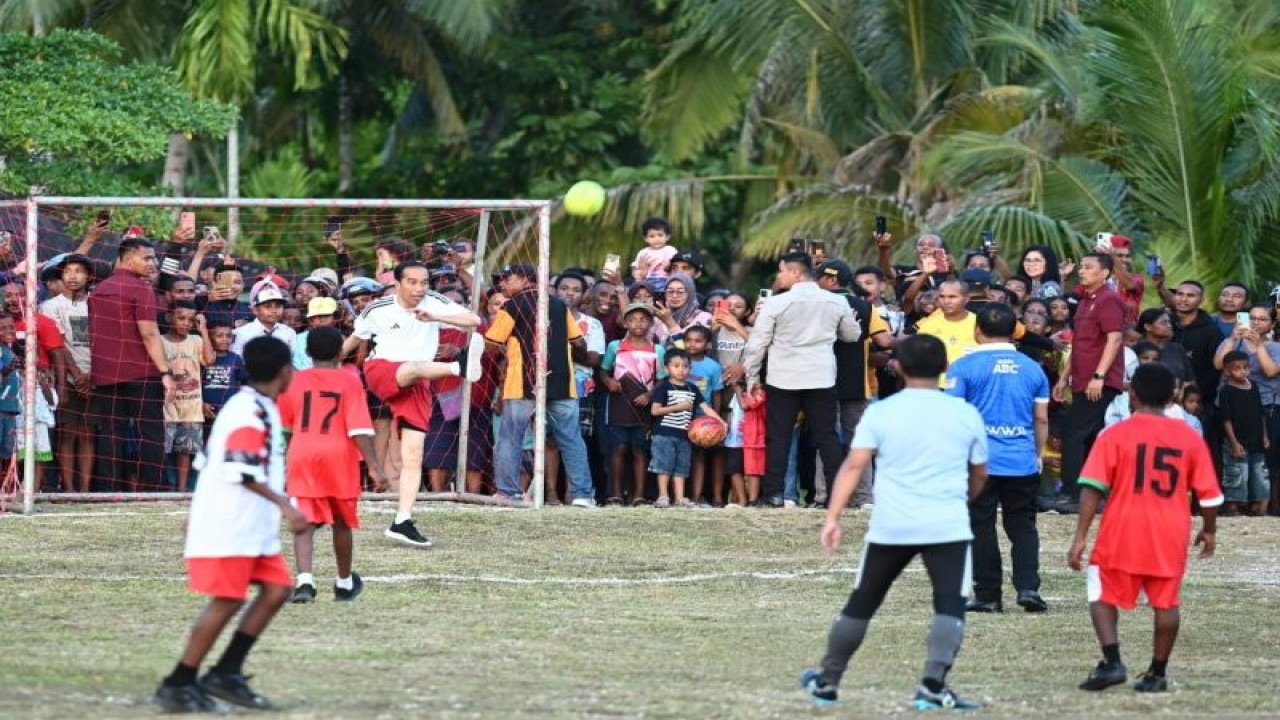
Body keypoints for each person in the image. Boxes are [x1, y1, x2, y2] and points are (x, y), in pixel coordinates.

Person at [800, 335, 986, 711]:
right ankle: (933, 686)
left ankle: (828, 681)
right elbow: (980, 473)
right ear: (945, 367)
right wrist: (962, 499)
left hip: (893, 522)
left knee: (863, 601)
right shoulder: (965, 413)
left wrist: (832, 517)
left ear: (897, 367)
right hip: (947, 523)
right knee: (949, 605)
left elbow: (854, 465)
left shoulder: (882, 411)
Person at [152, 336, 306, 713]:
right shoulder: (247, 411)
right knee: (228, 600)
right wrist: (287, 506)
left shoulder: (258, 405)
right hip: (231, 523)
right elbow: (241, 469)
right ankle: (178, 682)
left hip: (253, 527)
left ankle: (226, 671)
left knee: (276, 589)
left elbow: (208, 463)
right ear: (286, 371)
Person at [1068, 363, 1222, 693]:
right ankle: (1157, 672)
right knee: (1166, 601)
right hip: (1170, 530)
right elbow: (1209, 496)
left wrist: (1080, 536)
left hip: (1122, 526)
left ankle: (1112, 661)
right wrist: (1209, 530)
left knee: (1101, 591)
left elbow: (1092, 487)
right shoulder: (1188, 437)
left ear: (1131, 394)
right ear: (1173, 397)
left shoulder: (1114, 434)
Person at [344, 260, 482, 547]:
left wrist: (433, 317)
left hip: (419, 380)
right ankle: (459, 368)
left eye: (424, 282)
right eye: (412, 282)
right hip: (382, 370)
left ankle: (402, 520)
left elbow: (474, 321)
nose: (420, 288)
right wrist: (324, 365)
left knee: (414, 453)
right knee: (417, 366)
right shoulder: (377, 309)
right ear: (397, 283)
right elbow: (353, 340)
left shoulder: (434, 302)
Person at [946, 303, 1050, 613]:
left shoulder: (963, 367)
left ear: (977, 330)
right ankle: (1028, 587)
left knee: (981, 524)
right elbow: (1041, 418)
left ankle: (989, 594)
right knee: (1023, 525)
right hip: (1021, 459)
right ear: (1014, 331)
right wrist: (1038, 454)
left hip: (979, 462)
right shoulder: (1033, 367)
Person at [742, 252, 861, 507]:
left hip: (783, 378)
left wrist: (752, 376)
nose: (779, 276)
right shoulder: (836, 302)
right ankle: (836, 495)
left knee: (778, 436)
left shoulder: (776, 303)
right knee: (827, 437)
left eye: (782, 271)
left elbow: (757, 343)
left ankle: (773, 494)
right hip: (821, 376)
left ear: (795, 273)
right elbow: (852, 336)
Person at [278, 327, 386, 604]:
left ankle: (304, 582)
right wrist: (374, 466)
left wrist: (290, 455)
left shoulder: (293, 381)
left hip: (303, 454)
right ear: (340, 352)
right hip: (338, 457)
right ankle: (344, 582)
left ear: (307, 352)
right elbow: (359, 429)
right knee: (341, 521)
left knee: (304, 522)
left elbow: (286, 426)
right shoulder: (349, 381)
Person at [486, 263, 597, 507]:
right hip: (561, 382)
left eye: (507, 278)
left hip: (522, 383)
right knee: (571, 439)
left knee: (510, 438)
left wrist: (507, 350)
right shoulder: (558, 305)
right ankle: (583, 495)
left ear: (526, 279)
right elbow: (578, 342)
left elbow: (491, 343)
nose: (502, 284)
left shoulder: (512, 306)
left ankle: (508, 491)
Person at [88, 238, 176, 491]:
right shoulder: (140, 289)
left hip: (105, 372)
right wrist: (165, 372)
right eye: (147, 258)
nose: (153, 263)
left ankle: (107, 489)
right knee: (150, 432)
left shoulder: (99, 289)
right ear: (128, 259)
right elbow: (149, 334)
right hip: (141, 372)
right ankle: (152, 488)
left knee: (110, 432)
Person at [1053, 253, 1126, 512]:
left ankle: (1073, 494)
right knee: (1089, 436)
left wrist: (1100, 376)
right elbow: (1080, 344)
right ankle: (1093, 496)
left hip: (1099, 381)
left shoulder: (1109, 299)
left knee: (1075, 433)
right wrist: (1063, 377)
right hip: (1082, 379)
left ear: (1105, 272)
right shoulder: (1085, 301)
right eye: (1081, 267)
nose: (1082, 271)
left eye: (1088, 268)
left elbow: (1115, 339)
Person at [599, 303, 665, 504]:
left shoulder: (657, 349)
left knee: (640, 449)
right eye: (633, 319)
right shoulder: (615, 346)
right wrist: (609, 381)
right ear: (625, 323)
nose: (638, 323)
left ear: (651, 324)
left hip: (643, 405)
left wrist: (650, 394)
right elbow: (603, 370)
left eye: (644, 319)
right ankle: (616, 494)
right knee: (618, 449)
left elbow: (661, 378)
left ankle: (639, 495)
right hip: (619, 403)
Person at [40, 253, 94, 492]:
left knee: (88, 434)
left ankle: (85, 490)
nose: (73, 276)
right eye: (68, 271)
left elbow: (102, 342)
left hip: (94, 379)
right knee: (67, 433)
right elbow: (58, 344)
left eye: (78, 271)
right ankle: (69, 489)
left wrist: (91, 375)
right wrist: (76, 374)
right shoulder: (50, 306)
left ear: (88, 276)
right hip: (68, 380)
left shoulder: (94, 303)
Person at [649, 348, 722, 507]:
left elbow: (706, 408)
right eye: (676, 366)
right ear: (666, 369)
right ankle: (663, 496)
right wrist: (677, 407)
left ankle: (680, 498)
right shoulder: (664, 387)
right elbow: (655, 410)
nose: (681, 370)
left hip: (684, 435)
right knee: (664, 465)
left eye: (685, 366)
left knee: (681, 467)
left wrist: (720, 422)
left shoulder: (692, 388)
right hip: (664, 434)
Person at [1217, 350, 1270, 516]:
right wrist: (1233, 442)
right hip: (1236, 440)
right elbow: (1226, 418)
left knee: (1258, 471)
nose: (1243, 371)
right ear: (1227, 371)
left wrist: (1265, 435)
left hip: (1256, 438)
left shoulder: (1253, 386)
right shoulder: (1226, 390)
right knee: (1237, 471)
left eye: (1246, 367)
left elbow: (1260, 413)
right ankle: (1234, 504)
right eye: (1237, 368)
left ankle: (1257, 503)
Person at [161, 301, 207, 492]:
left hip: (192, 408)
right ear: (169, 317)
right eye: (181, 318)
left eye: (191, 320)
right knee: (162, 449)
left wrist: (203, 330)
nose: (186, 323)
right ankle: (162, 487)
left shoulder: (196, 341)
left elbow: (210, 359)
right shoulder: (160, 342)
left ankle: (181, 490)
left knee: (185, 452)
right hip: (167, 408)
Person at [231, 282, 296, 355]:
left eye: (278, 306)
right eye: (268, 307)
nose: (274, 311)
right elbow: (238, 360)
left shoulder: (289, 332)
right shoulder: (241, 333)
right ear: (255, 310)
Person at [631, 216, 678, 283]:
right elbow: (636, 269)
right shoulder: (643, 252)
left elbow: (677, 267)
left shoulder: (671, 250)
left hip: (667, 281)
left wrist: (669, 266)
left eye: (660, 235)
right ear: (646, 239)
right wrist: (639, 271)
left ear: (667, 237)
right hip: (648, 282)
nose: (657, 239)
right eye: (652, 236)